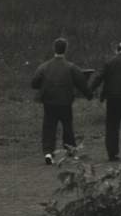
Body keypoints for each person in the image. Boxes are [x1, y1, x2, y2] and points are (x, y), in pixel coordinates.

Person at [30, 37, 92, 165]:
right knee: (67, 127)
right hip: (65, 102)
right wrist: (89, 94)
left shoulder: (44, 66)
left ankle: (48, 153)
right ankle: (70, 152)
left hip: (49, 102)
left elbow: (34, 83)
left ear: (54, 49)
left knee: (49, 128)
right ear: (65, 49)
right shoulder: (71, 67)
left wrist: (44, 86)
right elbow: (81, 83)